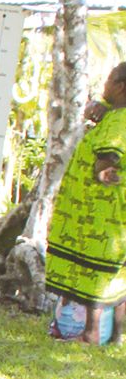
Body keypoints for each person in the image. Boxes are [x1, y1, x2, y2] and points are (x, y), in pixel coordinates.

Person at [44, 61, 126, 345]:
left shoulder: (120, 122)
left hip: (100, 215)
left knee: (94, 272)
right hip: (108, 215)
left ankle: (90, 334)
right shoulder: (115, 116)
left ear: (120, 86)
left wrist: (106, 173)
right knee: (116, 275)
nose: (104, 86)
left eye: (108, 81)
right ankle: (115, 336)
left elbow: (107, 160)